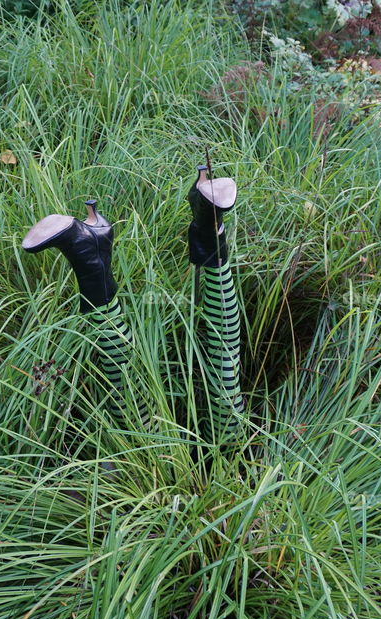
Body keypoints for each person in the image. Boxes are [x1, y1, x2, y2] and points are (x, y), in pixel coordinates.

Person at [21, 164, 243, 442]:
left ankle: (87, 249)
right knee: (226, 361)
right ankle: (210, 222)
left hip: (158, 463)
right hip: (201, 460)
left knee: (136, 403)